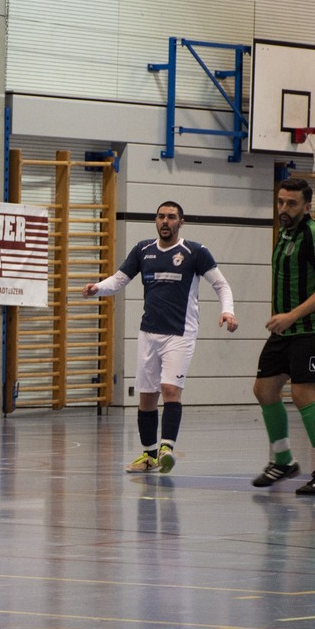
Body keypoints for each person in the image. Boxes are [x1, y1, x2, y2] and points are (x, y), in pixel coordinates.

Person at [82, 201, 238, 474]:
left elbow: (221, 284)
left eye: (171, 217)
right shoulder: (143, 250)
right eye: (161, 216)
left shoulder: (195, 252)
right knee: (146, 397)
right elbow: (119, 279)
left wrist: (228, 311)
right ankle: (149, 455)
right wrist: (98, 288)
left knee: (170, 390)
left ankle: (167, 448)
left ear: (181, 222)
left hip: (180, 333)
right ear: (156, 220)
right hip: (148, 333)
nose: (165, 221)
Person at [251, 176, 315, 495]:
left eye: (291, 203)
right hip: (286, 329)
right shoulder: (284, 232)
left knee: (303, 394)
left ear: (307, 206)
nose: (284, 208)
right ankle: (283, 461)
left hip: (313, 327)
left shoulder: (314, 235)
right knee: (264, 390)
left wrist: (291, 315)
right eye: (280, 202)